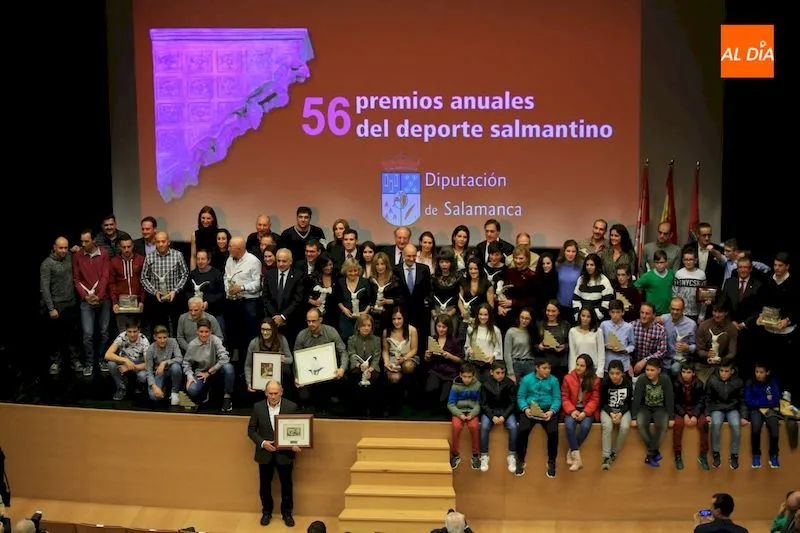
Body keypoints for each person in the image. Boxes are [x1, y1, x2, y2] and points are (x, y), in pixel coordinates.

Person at [247, 380, 302, 528]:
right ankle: (266, 512)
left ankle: (287, 513)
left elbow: (297, 430)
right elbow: (251, 431)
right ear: (265, 393)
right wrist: (263, 443)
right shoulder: (258, 407)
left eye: (275, 393)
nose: (273, 396)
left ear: (281, 392)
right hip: (265, 454)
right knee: (264, 486)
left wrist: (296, 443)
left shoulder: (291, 407)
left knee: (286, 485)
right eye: (270, 393)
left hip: (285, 454)